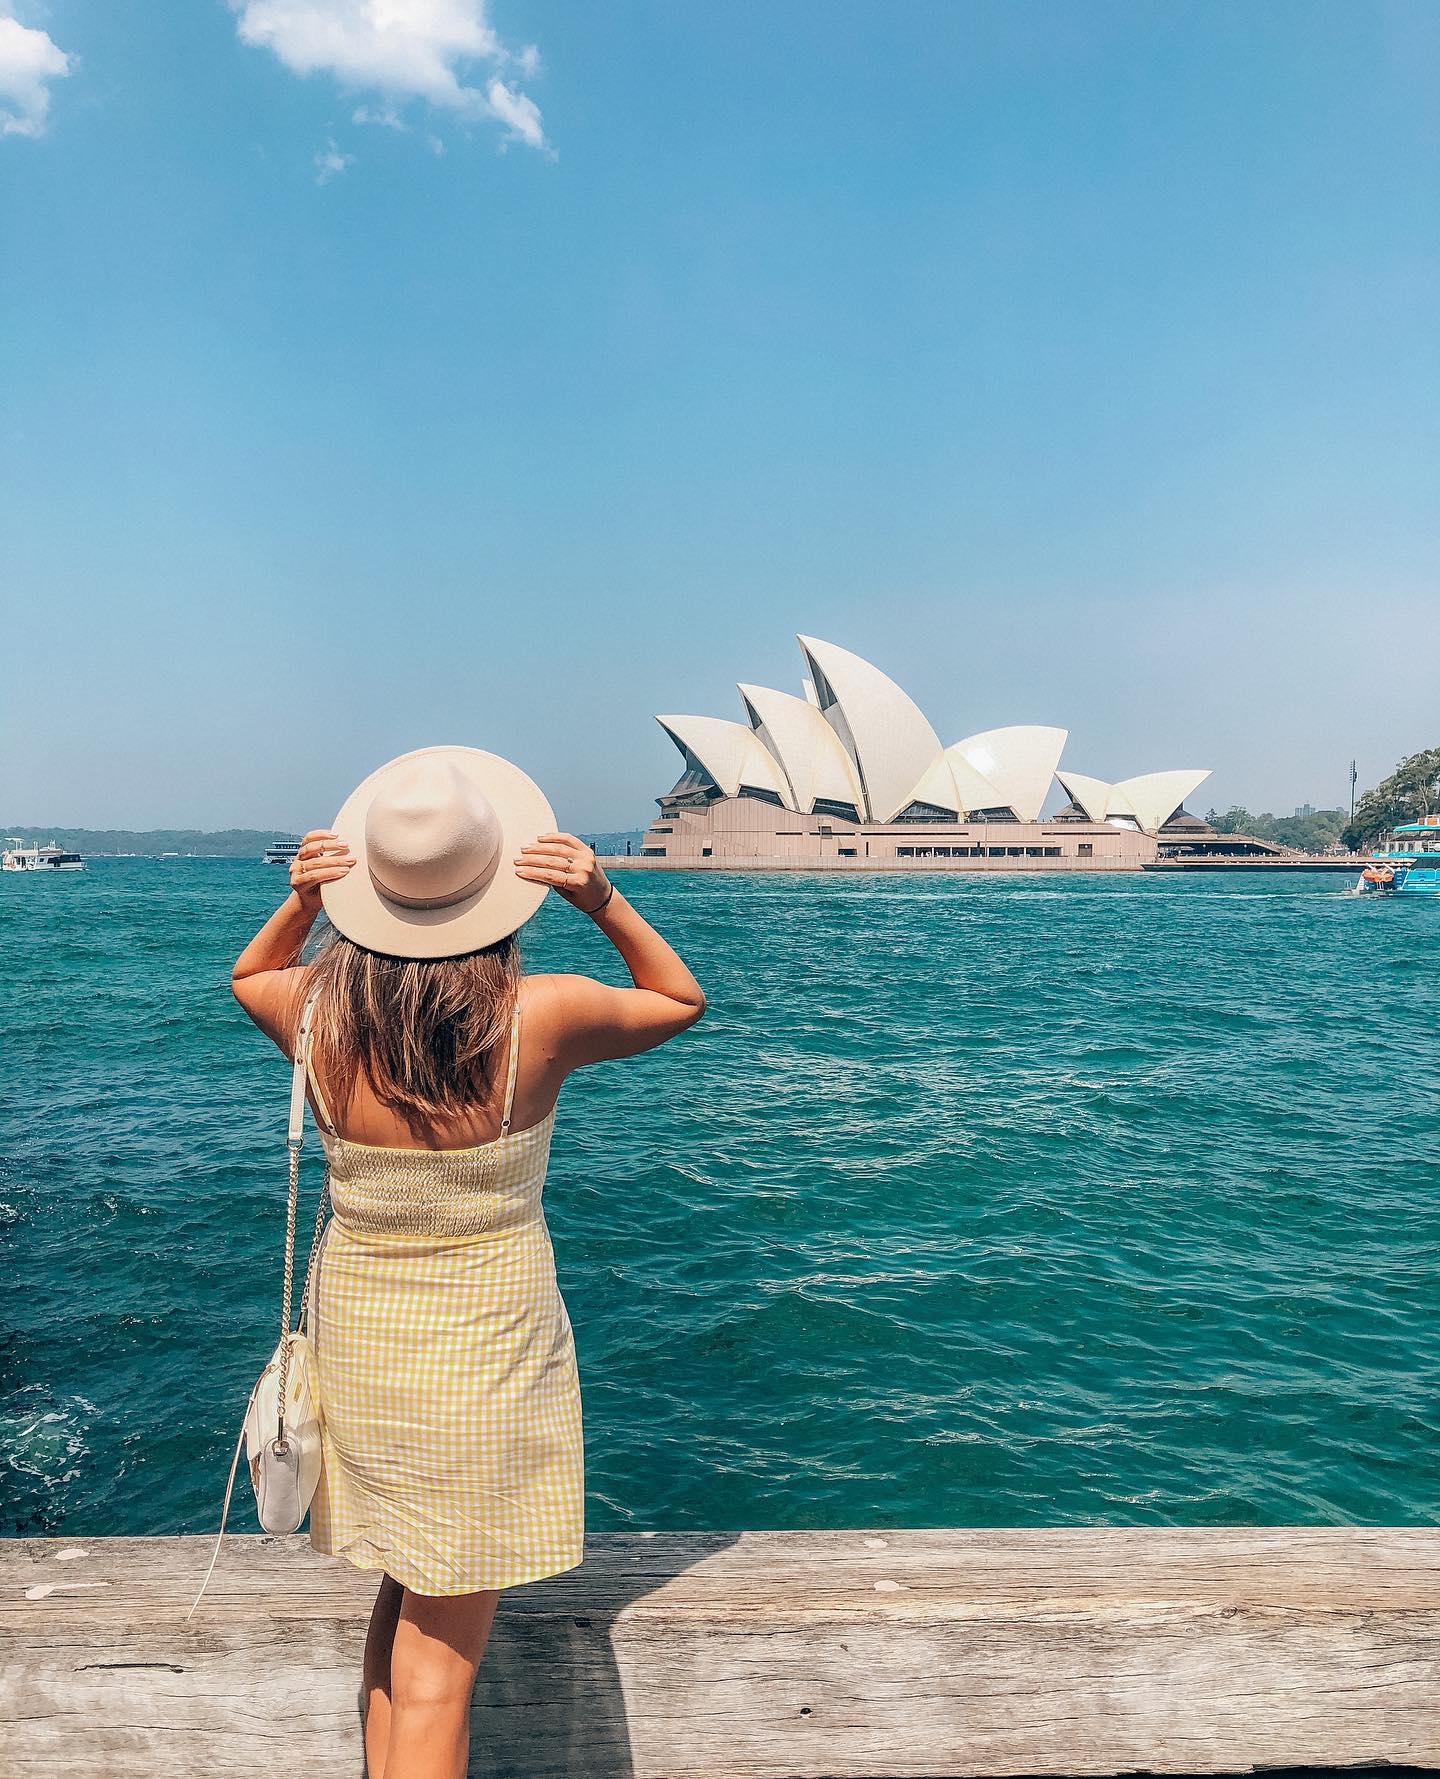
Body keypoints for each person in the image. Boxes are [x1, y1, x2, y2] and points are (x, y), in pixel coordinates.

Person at [231, 745, 705, 1779]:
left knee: (403, 1605)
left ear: (371, 888)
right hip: (481, 1359)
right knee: (442, 1666)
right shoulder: (541, 1016)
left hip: (363, 1343)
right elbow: (678, 999)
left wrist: (304, 901)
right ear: (497, 886)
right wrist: (602, 895)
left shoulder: (314, 1015)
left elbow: (250, 976)